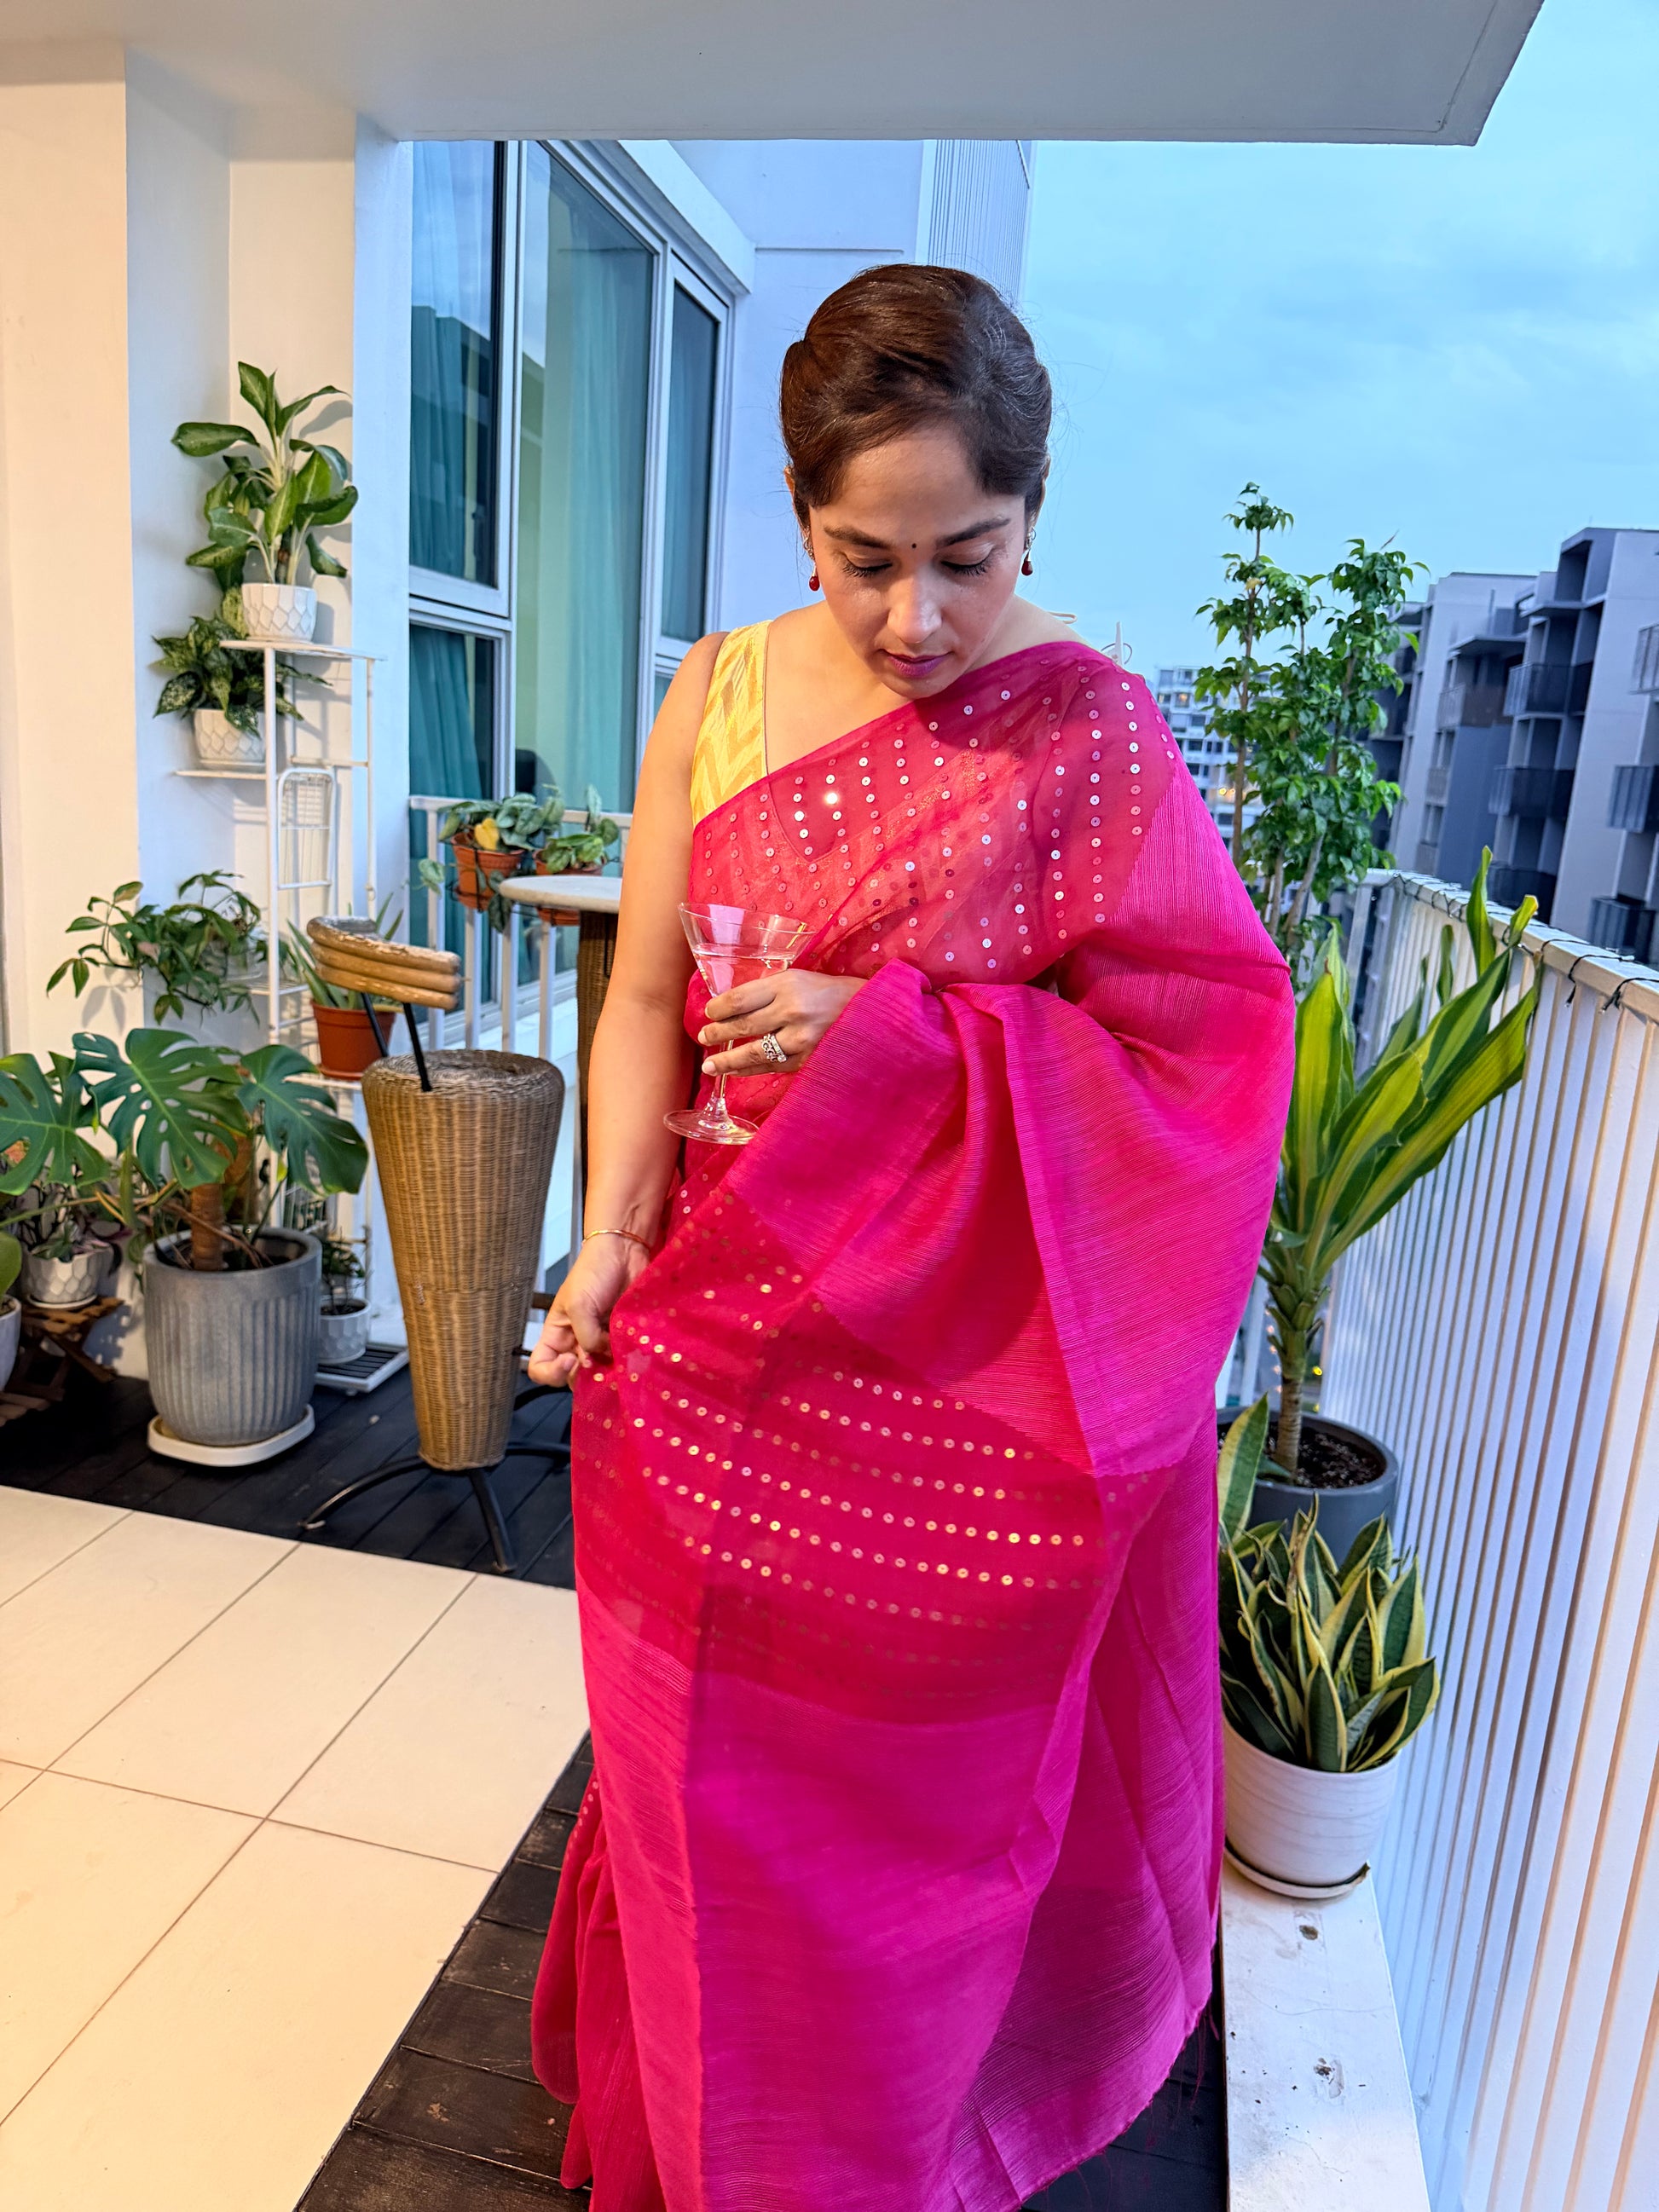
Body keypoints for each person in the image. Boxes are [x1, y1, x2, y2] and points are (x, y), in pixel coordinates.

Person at [527, 263, 1293, 2212]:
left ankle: (850, 2161)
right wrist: (604, 1238)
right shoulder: (716, 692)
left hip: (948, 1403)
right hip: (707, 1347)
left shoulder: (1090, 735)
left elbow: (1204, 1056)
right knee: (691, 1791)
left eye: (968, 555)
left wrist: (907, 1042)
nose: (915, 617)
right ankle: (695, 2143)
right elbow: (644, 998)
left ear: (1034, 515)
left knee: (898, 1843)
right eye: (864, 559)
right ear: (800, 514)